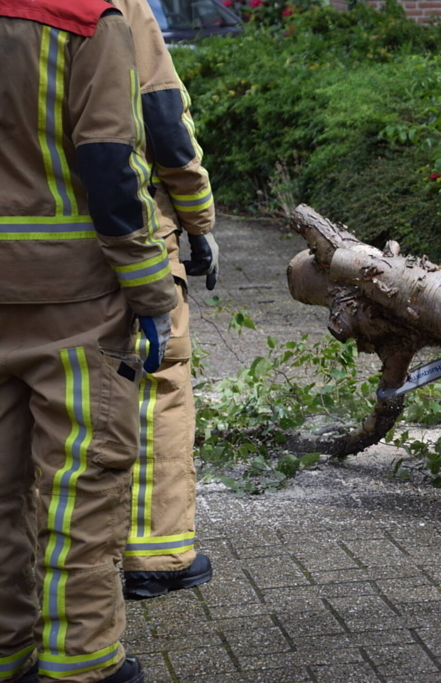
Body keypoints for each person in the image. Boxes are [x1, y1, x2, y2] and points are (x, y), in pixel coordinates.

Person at [0, 0, 178, 680]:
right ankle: (81, 662)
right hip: (72, 304)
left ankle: (10, 649)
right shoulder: (84, 19)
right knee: (80, 487)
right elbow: (110, 165)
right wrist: (154, 294)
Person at [110, 0, 218, 602]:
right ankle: (156, 555)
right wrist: (198, 219)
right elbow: (163, 119)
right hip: (125, 232)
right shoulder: (121, 6)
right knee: (156, 380)